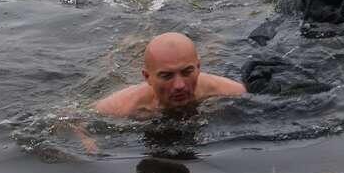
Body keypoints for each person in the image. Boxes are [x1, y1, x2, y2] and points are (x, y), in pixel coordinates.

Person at [94, 32, 247, 118]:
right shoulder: (122, 106)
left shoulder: (231, 91)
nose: (179, 85)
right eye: (167, 76)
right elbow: (82, 120)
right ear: (147, 77)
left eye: (187, 72)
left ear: (198, 68)